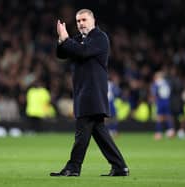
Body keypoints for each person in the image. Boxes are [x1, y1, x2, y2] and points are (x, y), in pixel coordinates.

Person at [50, 9, 129, 177]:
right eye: (78, 21)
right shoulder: (80, 40)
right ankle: (120, 167)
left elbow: (82, 51)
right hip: (83, 92)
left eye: (84, 20)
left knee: (82, 133)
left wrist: (66, 40)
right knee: (100, 133)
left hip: (92, 93)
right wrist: (61, 39)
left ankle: (73, 167)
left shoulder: (100, 38)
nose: (81, 24)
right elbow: (61, 53)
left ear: (93, 20)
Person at [150, 71, 175, 140]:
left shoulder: (156, 83)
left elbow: (154, 93)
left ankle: (158, 133)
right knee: (168, 116)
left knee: (159, 117)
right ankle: (170, 131)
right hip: (167, 101)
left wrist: (154, 100)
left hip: (160, 101)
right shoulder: (167, 82)